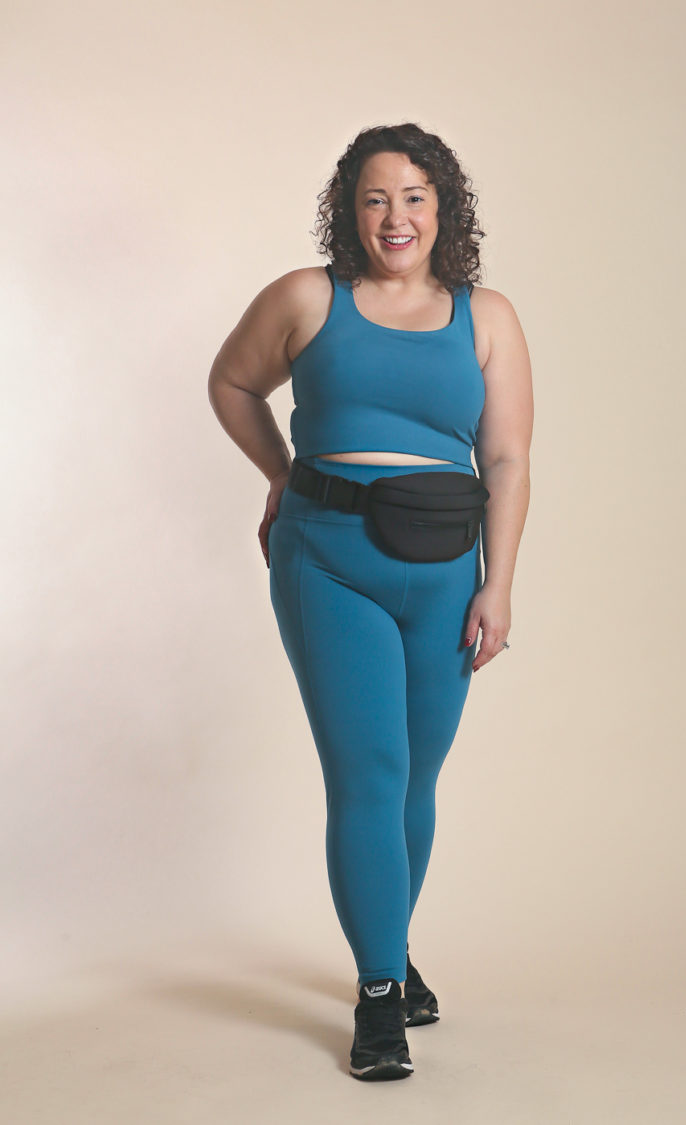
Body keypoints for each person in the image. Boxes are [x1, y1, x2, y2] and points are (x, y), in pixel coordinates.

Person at [208, 122, 533, 1081]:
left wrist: (500, 584)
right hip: (328, 557)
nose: (397, 216)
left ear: (445, 209)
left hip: (447, 569)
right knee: (370, 772)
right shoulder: (308, 298)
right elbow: (232, 382)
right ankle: (382, 997)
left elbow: (508, 457)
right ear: (351, 210)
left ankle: (387, 944)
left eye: (416, 196)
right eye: (376, 198)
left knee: (417, 779)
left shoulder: (488, 317)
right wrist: (280, 472)